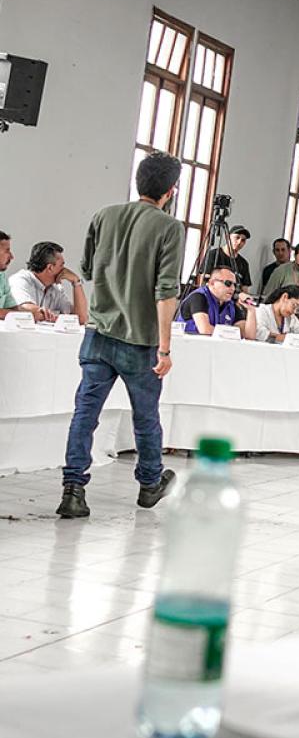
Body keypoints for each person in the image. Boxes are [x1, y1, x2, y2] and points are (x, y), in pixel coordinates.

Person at [59, 152, 184, 518]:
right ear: (170, 190)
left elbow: (86, 268)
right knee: (145, 416)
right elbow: (166, 291)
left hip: (98, 333)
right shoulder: (169, 227)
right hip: (140, 340)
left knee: (85, 414)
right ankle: (148, 484)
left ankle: (73, 490)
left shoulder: (105, 215)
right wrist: (165, 348)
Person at [9, 240, 88, 323]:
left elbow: (81, 319)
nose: (64, 270)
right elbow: (25, 309)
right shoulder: (20, 280)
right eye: (61, 265)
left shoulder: (56, 289)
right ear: (50, 267)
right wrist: (52, 316)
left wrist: (76, 282)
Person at [175, 266, 257, 339]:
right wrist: (231, 334)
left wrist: (251, 310)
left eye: (234, 285)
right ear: (212, 283)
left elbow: (248, 336)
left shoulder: (230, 305)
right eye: (228, 283)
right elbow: (205, 331)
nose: (232, 288)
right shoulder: (198, 297)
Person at [200, 224, 252, 291]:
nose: (239, 242)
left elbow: (245, 288)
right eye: (237, 237)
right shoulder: (213, 255)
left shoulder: (244, 263)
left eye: (243, 240)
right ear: (228, 237)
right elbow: (204, 280)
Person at [0, 230, 21, 319]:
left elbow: (13, 308)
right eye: (7, 251)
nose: (12, 257)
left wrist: (33, 313)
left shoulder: (2, 276)